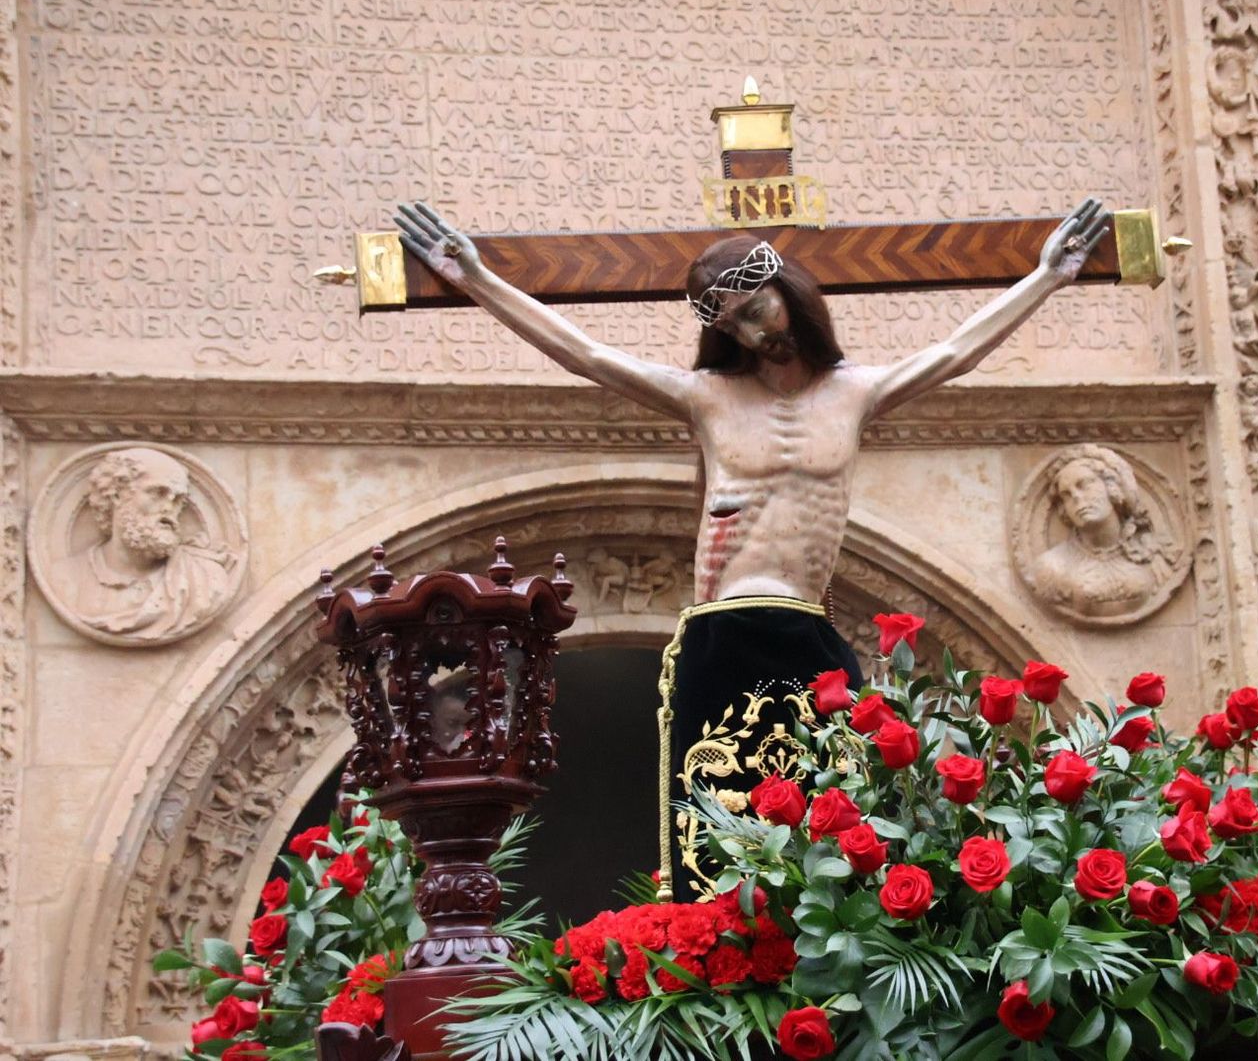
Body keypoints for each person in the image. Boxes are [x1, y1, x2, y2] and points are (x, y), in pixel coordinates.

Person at [395, 199, 1112, 898]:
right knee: (711, 833)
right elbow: (586, 353)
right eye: (731, 322)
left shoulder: (856, 391)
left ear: (788, 291)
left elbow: (956, 350)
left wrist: (1047, 275)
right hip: (725, 627)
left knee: (833, 817)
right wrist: (477, 279)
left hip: (806, 626)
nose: (749, 328)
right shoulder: (708, 396)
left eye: (755, 306)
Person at [73, 447, 234, 641]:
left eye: (177, 501)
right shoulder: (68, 578)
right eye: (157, 493)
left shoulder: (203, 580)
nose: (169, 509)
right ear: (116, 495)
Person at [1029, 444, 1177, 621]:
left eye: (1084, 485)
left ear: (1112, 487)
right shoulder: (1051, 567)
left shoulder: (1156, 556)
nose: (1076, 497)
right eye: (1066, 494)